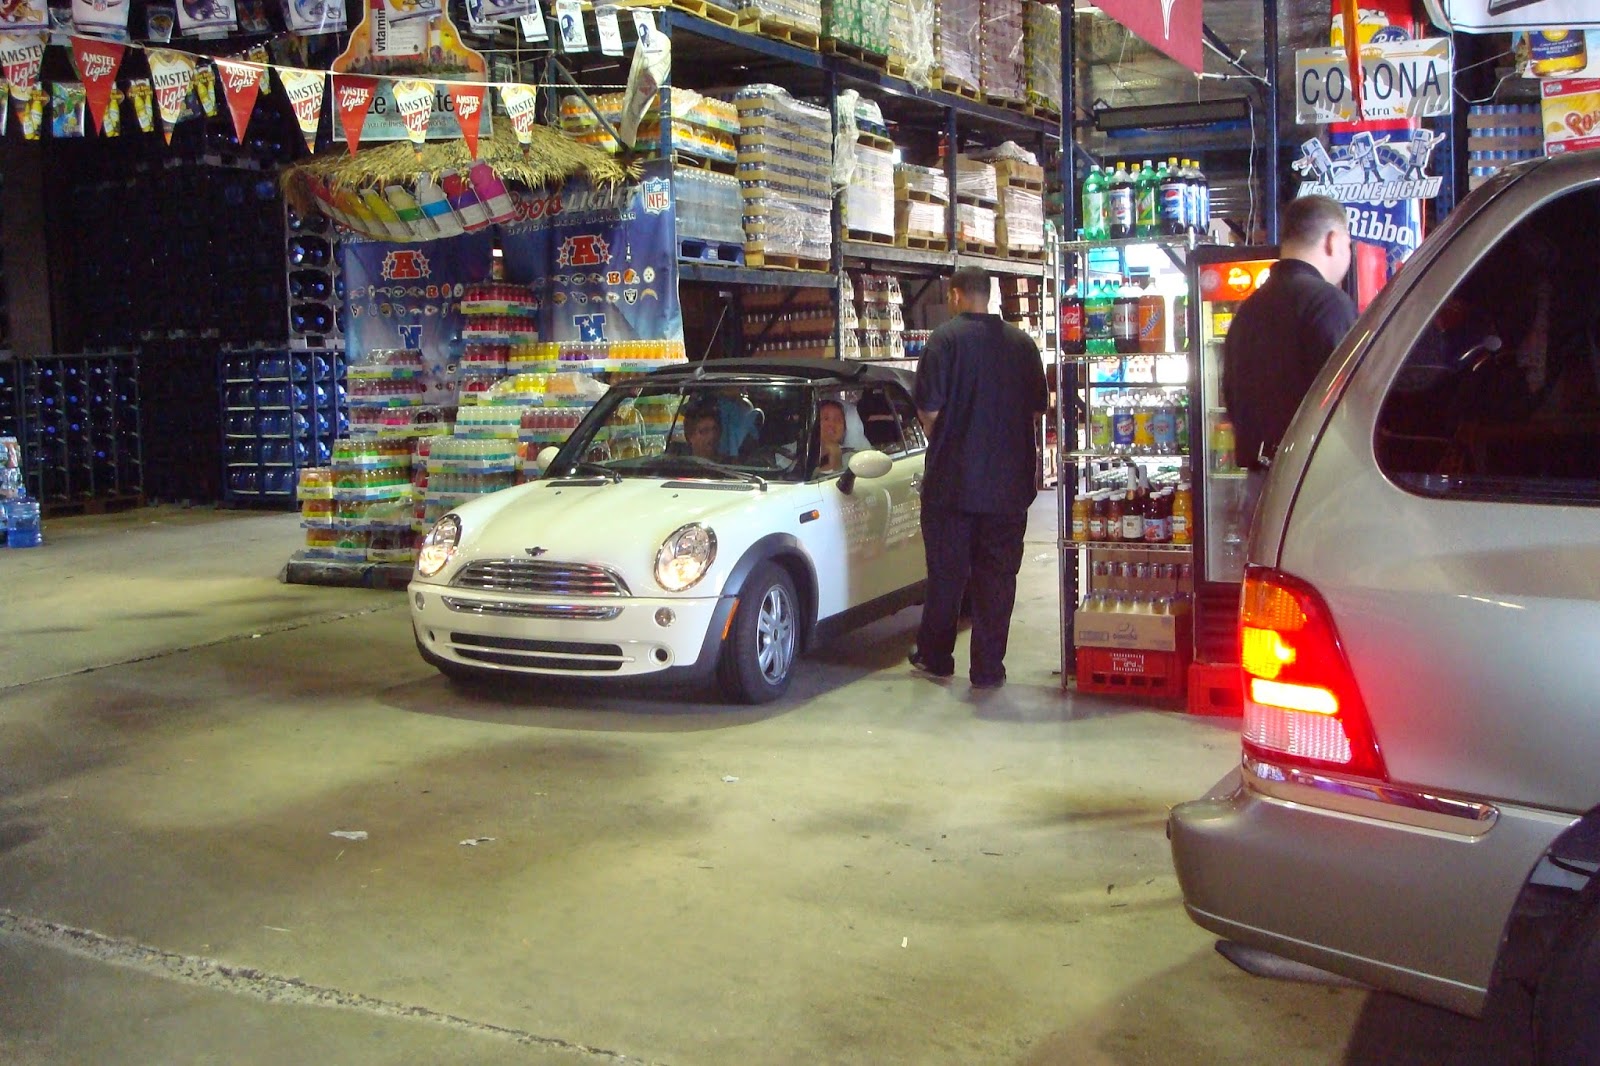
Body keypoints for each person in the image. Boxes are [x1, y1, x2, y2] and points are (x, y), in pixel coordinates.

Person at [911, 265, 1048, 689]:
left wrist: (953, 437)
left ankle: (936, 657)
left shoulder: (945, 341)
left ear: (954, 296)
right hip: (1008, 487)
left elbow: (929, 409)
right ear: (987, 296)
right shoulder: (1022, 344)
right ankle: (988, 668)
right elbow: (1039, 406)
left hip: (953, 485)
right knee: (998, 578)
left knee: (947, 576)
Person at [1222, 194, 1357, 482]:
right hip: (1312, 483)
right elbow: (1346, 403)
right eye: (1348, 244)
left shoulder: (1249, 308)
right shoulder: (1328, 303)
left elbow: (1231, 396)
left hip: (1259, 483)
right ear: (1332, 240)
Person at [813, 399, 852, 474]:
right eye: (826, 418)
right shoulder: (791, 453)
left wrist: (836, 460)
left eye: (838, 420)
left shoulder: (852, 459)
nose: (832, 424)